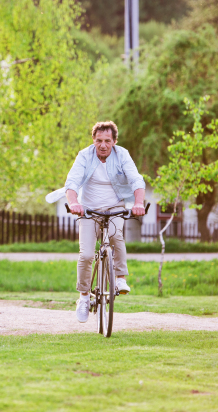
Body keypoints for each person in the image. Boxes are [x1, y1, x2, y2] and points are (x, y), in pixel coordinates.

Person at [46, 121, 146, 323]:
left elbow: (136, 180)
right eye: (99, 140)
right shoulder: (85, 155)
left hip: (115, 208)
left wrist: (138, 202)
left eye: (107, 141)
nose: (103, 145)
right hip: (89, 209)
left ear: (114, 141)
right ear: (93, 140)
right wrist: (74, 203)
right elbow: (72, 182)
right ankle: (83, 296)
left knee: (116, 236)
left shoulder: (122, 155)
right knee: (86, 255)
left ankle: (119, 279)